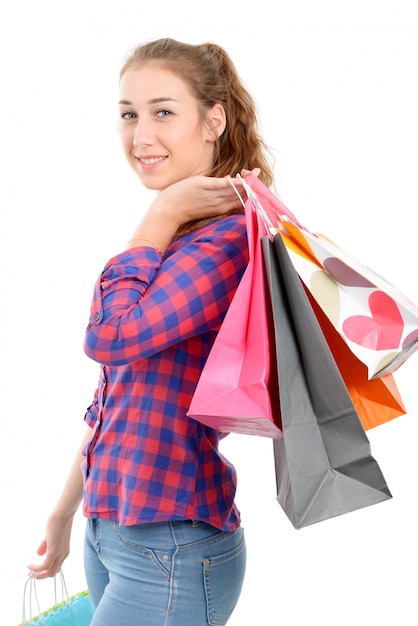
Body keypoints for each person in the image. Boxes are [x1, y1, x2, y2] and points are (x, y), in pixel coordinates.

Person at [28, 37, 275, 626]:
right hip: (110, 531)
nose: (141, 136)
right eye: (128, 114)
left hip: (170, 548)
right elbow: (114, 400)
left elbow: (111, 336)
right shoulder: (181, 238)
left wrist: (158, 215)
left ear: (214, 119)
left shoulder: (221, 242)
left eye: (163, 111)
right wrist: (65, 514)